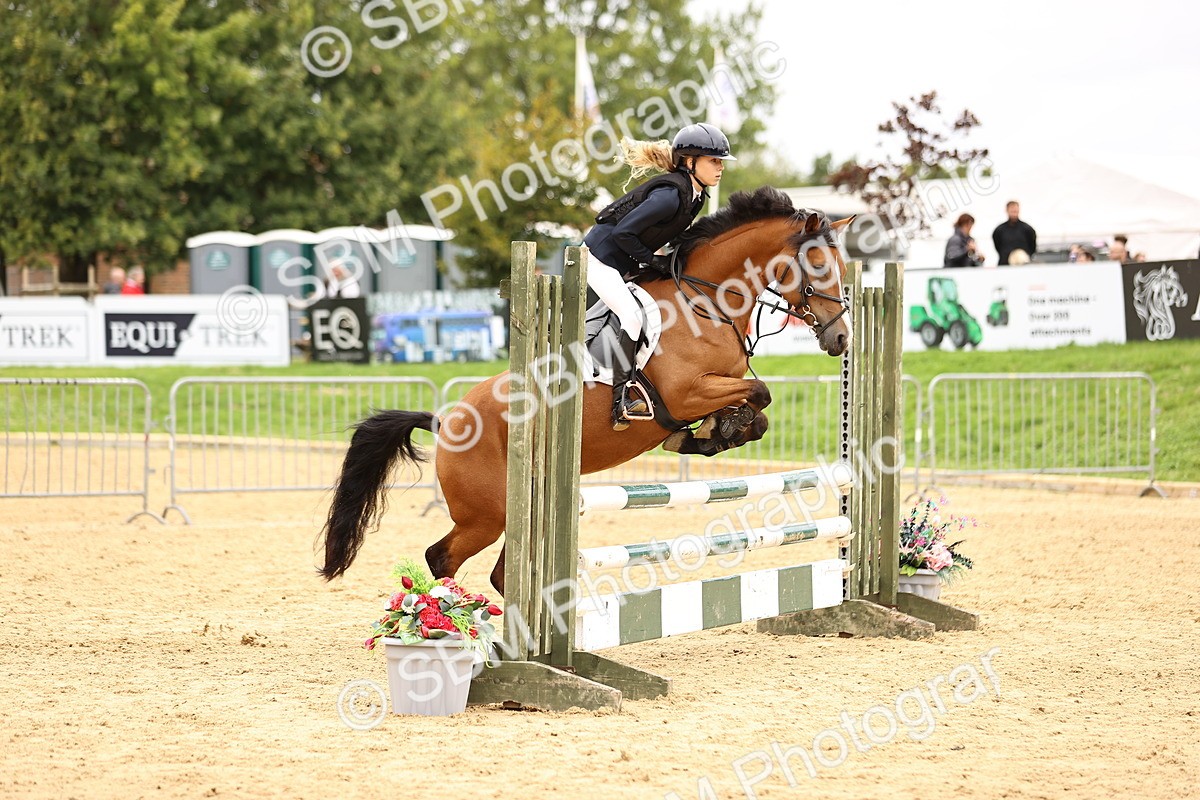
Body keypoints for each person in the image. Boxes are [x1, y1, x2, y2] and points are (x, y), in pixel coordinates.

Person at [582, 123, 735, 431]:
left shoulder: (695, 196)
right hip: (599, 259)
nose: (720, 168)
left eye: (720, 162)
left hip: (623, 260)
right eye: (713, 161)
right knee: (633, 317)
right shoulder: (669, 196)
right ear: (690, 162)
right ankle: (621, 397)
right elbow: (624, 232)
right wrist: (653, 261)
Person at [992, 201, 1037, 265]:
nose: (1014, 213)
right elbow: (997, 244)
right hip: (1005, 264)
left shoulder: (1027, 229)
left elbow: (1032, 245)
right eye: (1012, 211)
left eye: (1015, 211)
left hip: (1023, 264)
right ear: (1007, 211)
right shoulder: (999, 230)